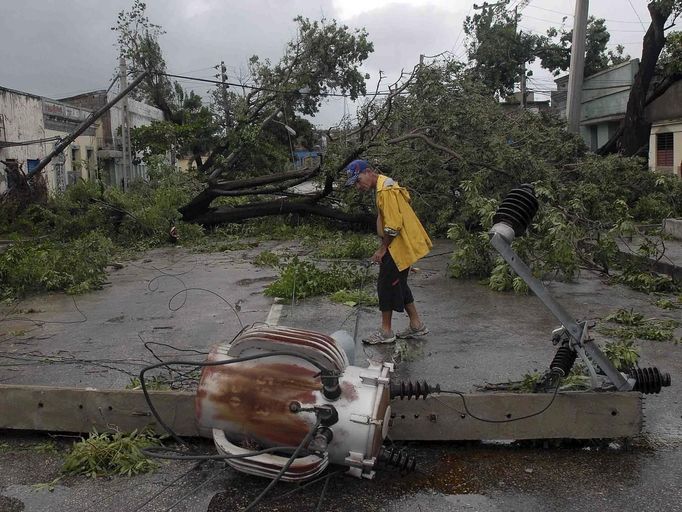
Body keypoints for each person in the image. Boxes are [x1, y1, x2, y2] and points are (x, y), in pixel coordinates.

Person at [345, 159, 433, 344]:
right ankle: (417, 326)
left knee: (385, 286)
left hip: (396, 246)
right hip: (400, 245)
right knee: (399, 284)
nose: (358, 187)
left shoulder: (385, 190)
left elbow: (393, 226)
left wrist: (382, 249)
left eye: (358, 181)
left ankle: (386, 332)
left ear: (368, 171)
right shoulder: (384, 185)